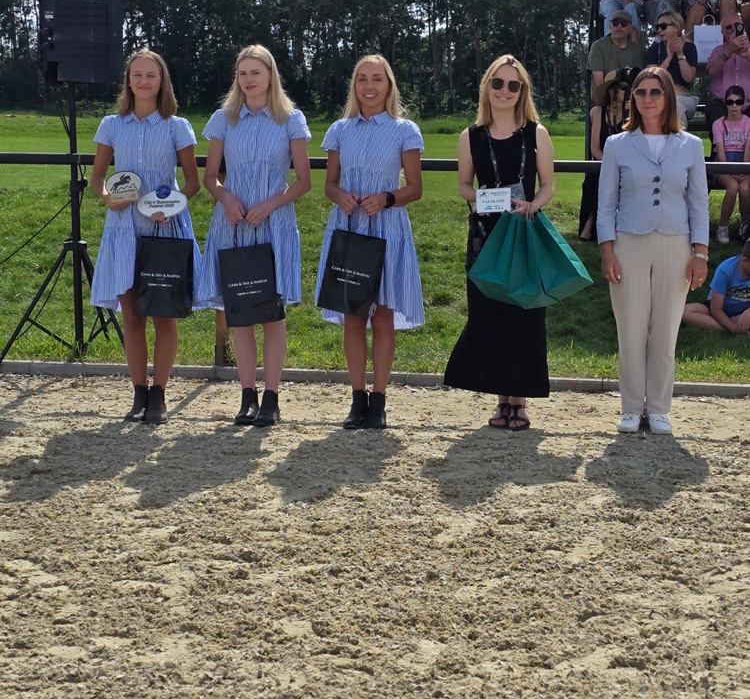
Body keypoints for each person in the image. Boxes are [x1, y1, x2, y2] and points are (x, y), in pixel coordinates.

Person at [199, 44, 311, 427]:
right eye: (243, 73)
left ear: (270, 75)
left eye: (255, 73)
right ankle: (247, 396)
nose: (248, 79)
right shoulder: (223, 119)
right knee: (240, 314)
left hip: (274, 225)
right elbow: (210, 177)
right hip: (232, 225)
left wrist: (271, 204)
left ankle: (272, 398)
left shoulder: (291, 119)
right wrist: (226, 197)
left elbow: (304, 181)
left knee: (272, 315)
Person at [90, 49, 202, 425]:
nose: (143, 81)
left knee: (163, 315)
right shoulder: (112, 125)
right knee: (133, 316)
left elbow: (192, 182)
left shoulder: (176, 126)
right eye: (136, 75)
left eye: (150, 75)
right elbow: (98, 177)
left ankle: (159, 395)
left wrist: (171, 206)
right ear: (128, 80)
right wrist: (107, 197)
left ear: (161, 80)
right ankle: (138, 393)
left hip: (164, 229)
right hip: (123, 229)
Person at [444, 55, 555, 431]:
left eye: (513, 85)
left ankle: (519, 401)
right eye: (497, 83)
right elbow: (463, 185)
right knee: (489, 317)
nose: (504, 91)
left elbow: (548, 185)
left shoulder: (536, 133)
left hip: (523, 233)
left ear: (522, 91)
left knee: (524, 318)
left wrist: (532, 206)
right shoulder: (470, 136)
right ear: (486, 87)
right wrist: (479, 197)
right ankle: (500, 400)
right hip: (486, 238)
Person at [598, 66, 709, 436]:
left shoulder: (691, 146)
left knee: (665, 330)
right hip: (628, 242)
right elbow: (605, 204)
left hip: (676, 245)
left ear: (668, 98)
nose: (647, 99)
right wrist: (607, 250)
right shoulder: (617, 145)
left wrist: (700, 253)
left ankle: (659, 408)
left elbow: (698, 205)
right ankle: (631, 407)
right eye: (641, 92)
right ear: (633, 99)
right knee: (630, 329)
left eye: (655, 92)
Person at [315, 54, 424, 430]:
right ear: (354, 85)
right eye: (362, 79)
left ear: (388, 85)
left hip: (387, 229)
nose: (369, 86)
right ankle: (357, 397)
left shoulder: (405, 130)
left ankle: (379, 400)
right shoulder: (339, 130)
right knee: (353, 315)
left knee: (383, 316)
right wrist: (339, 196)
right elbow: (329, 183)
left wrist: (387, 198)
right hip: (349, 229)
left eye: (377, 79)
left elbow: (415, 188)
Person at [578, 69, 632, 241]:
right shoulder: (599, 112)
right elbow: (594, 148)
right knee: (595, 181)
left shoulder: (633, 115)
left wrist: (632, 115)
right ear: (611, 91)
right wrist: (611, 164)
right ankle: (589, 224)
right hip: (603, 161)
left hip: (627, 163)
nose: (627, 92)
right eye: (623, 87)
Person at [644, 10, 699, 128]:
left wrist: (680, 55)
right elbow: (650, 79)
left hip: (684, 97)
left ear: (676, 27)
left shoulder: (689, 47)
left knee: (676, 104)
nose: (659, 30)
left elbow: (689, 78)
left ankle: (677, 138)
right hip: (660, 95)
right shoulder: (654, 49)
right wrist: (668, 59)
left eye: (663, 26)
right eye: (658, 27)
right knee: (670, 104)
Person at [682, 240, 750, 334]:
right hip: (718, 309)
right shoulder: (725, 269)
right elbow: (716, 309)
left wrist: (748, 312)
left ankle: (728, 324)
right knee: (685, 312)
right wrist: (732, 328)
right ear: (745, 261)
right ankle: (730, 327)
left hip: (744, 311)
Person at [711, 86, 750, 244]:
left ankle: (745, 226)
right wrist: (729, 169)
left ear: (743, 103)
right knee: (732, 186)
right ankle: (723, 227)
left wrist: (744, 169)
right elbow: (720, 153)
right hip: (724, 163)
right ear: (725, 103)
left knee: (745, 188)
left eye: (738, 102)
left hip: (744, 163)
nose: (734, 106)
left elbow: (748, 150)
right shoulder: (718, 124)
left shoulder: (749, 123)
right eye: (730, 102)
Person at [705, 10, 750, 133]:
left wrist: (747, 56)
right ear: (722, 32)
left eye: (737, 25)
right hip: (723, 103)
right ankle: (718, 146)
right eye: (728, 27)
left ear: (743, 27)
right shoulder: (718, 50)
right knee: (716, 117)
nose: (733, 29)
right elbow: (711, 72)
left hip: (748, 104)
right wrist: (728, 52)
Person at [587, 10, 644, 90]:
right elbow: (599, 83)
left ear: (631, 28)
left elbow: (638, 79)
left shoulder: (638, 50)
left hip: (630, 94)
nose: (619, 26)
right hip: (604, 94)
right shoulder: (598, 46)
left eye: (624, 23)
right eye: (615, 23)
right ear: (610, 27)